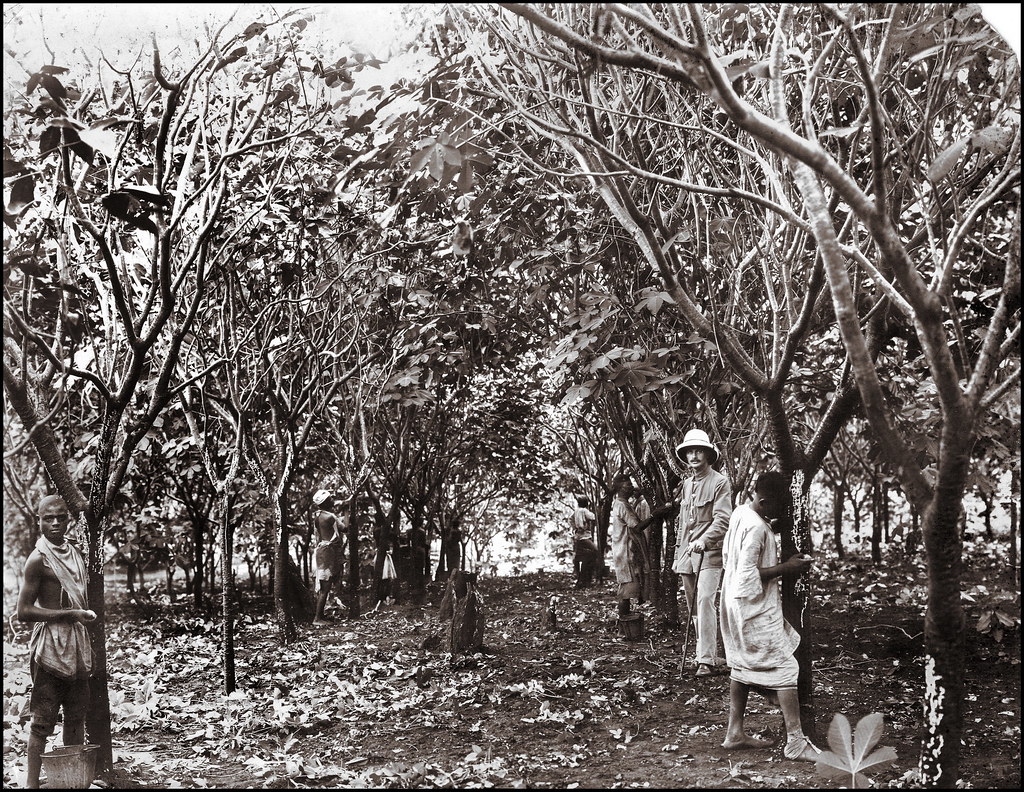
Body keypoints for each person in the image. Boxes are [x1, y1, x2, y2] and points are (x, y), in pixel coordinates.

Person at [719, 471, 819, 761]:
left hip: (732, 605)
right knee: (786, 668)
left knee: (740, 664)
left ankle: (734, 733)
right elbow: (746, 575)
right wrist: (786, 568)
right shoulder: (757, 530)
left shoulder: (742, 513)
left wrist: (774, 524)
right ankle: (795, 742)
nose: (784, 512)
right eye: (779, 507)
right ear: (763, 501)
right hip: (751, 606)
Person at [17, 494, 96, 789]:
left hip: (77, 646)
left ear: (68, 519)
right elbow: (23, 611)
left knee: (76, 717)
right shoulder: (38, 559)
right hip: (50, 648)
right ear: (38, 520)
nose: (54, 523)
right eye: (48, 518)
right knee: (41, 723)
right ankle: (32, 785)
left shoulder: (74, 553)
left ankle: (70, 781)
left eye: (60, 517)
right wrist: (69, 614)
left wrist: (77, 617)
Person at [671, 429, 733, 677]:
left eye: (699, 451)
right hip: (687, 553)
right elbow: (684, 522)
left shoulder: (720, 482)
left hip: (710, 552)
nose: (694, 455)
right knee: (693, 607)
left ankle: (706, 660)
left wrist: (705, 541)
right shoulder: (687, 484)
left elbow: (723, 520)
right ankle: (703, 654)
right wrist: (680, 554)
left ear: (708, 455)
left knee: (706, 600)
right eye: (690, 451)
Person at [608, 476, 642, 618]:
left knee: (626, 586)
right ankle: (624, 622)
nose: (631, 489)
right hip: (625, 551)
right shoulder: (622, 505)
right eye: (628, 486)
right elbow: (637, 526)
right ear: (620, 489)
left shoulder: (620, 503)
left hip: (621, 550)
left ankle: (625, 620)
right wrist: (655, 515)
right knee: (626, 589)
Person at [312, 489, 345, 626]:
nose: (333, 500)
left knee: (325, 585)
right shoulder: (330, 517)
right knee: (325, 588)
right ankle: (317, 619)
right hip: (327, 553)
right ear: (326, 502)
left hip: (324, 551)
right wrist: (347, 511)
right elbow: (345, 528)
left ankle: (321, 615)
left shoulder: (318, 515)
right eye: (330, 498)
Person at [571, 496, 599, 588]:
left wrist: (574, 528)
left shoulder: (576, 511)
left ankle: (582, 580)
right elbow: (593, 517)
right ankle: (585, 578)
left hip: (578, 537)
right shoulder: (584, 511)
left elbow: (570, 519)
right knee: (595, 551)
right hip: (584, 536)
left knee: (581, 557)